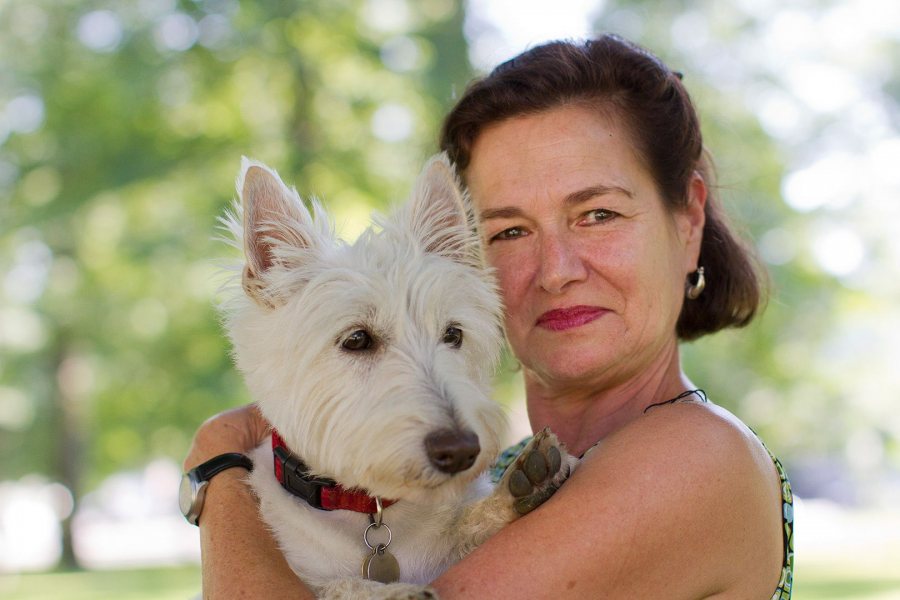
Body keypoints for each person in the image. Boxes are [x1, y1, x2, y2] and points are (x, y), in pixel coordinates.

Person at [183, 34, 793, 599]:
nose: (555, 270)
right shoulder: (493, 479)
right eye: (508, 230)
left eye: (599, 214)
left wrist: (218, 466)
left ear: (688, 224)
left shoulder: (694, 459)